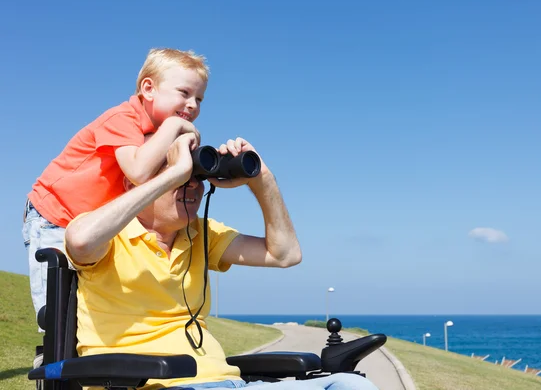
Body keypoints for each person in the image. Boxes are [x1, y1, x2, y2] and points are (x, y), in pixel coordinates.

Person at [63, 134, 378, 390]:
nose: (193, 185)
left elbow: (286, 254)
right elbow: (79, 242)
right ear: (136, 185)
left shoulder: (201, 234)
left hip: (228, 383)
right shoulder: (106, 234)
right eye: (179, 175)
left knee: (349, 386)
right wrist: (174, 172)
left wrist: (261, 179)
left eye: (196, 176)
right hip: (151, 384)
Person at [23, 47, 206, 325]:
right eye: (184, 93)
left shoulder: (156, 136)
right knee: (56, 304)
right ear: (148, 88)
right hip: (54, 215)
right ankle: (47, 354)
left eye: (199, 99)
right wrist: (172, 127)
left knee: (84, 302)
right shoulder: (122, 118)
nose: (192, 105)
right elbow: (139, 172)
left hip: (90, 224)